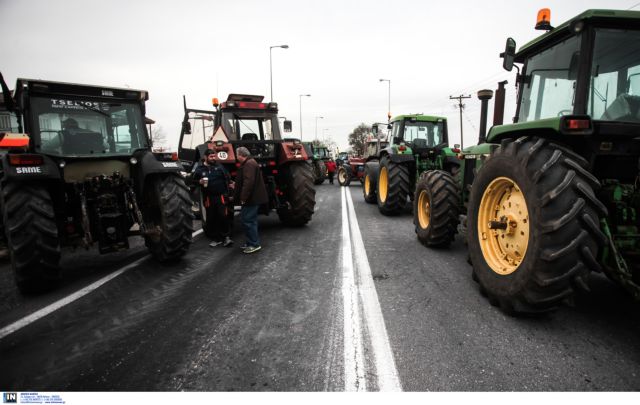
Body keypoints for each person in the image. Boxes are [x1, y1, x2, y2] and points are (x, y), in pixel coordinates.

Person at [193, 149, 234, 247]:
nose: (213, 158)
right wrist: (199, 182)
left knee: (223, 216)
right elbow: (192, 181)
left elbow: (227, 179)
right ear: (205, 157)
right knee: (211, 218)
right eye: (211, 157)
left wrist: (231, 186)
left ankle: (226, 237)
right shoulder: (199, 169)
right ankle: (216, 238)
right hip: (208, 198)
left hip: (221, 196)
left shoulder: (219, 167)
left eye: (214, 156)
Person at [233, 146, 268, 254]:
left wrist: (243, 198)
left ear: (240, 155)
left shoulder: (249, 164)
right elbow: (246, 181)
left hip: (251, 199)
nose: (236, 156)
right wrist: (236, 184)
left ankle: (254, 244)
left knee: (249, 221)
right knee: (246, 220)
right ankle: (250, 242)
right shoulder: (250, 163)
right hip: (251, 198)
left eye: (236, 154)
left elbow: (249, 183)